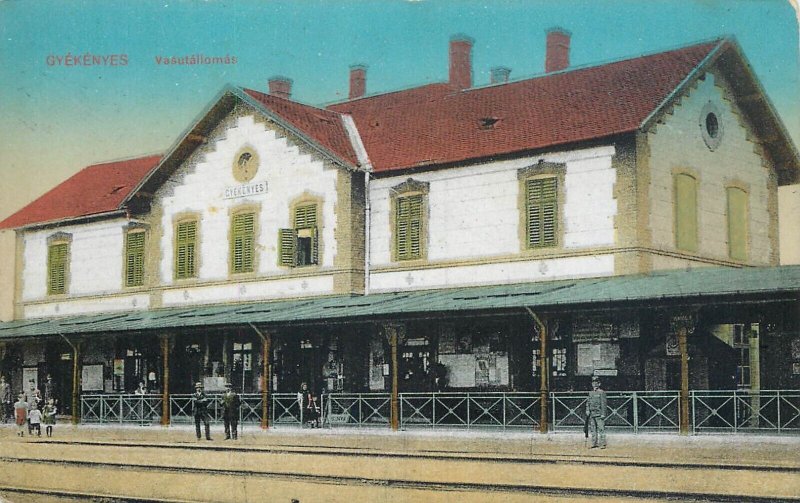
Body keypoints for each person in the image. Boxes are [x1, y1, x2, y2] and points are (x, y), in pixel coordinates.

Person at [586, 376, 608, 449]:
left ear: (599, 384)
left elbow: (603, 404)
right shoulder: (590, 393)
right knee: (593, 429)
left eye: (596, 383)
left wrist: (603, 414)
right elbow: (588, 402)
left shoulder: (601, 392)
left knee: (601, 429)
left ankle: (602, 444)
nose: (594, 384)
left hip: (599, 414)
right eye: (593, 383)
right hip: (592, 414)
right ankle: (594, 443)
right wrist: (587, 410)